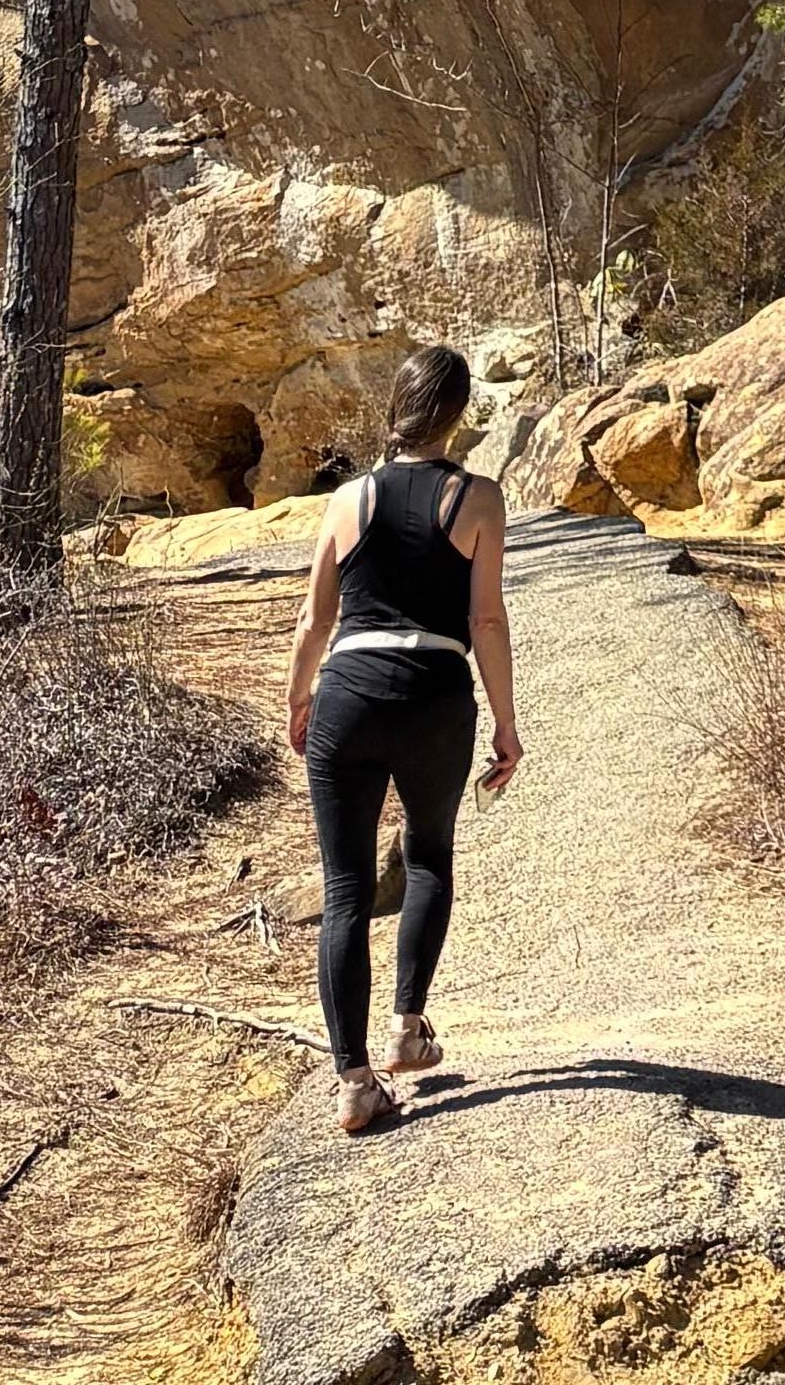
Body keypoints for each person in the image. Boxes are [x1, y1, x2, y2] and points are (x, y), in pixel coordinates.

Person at [284, 344, 525, 1135]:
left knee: (347, 888)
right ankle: (408, 1030)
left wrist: (298, 701)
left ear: (398, 405)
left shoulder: (348, 498)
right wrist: (506, 725)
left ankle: (353, 1081)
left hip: (347, 691)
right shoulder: (478, 499)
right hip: (432, 692)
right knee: (427, 855)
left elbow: (315, 619)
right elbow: (486, 620)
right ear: (458, 416)